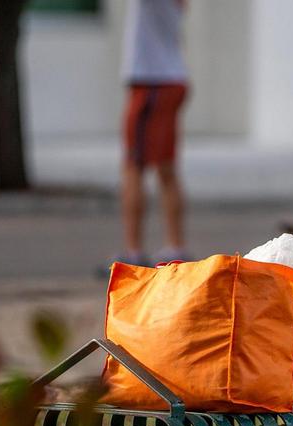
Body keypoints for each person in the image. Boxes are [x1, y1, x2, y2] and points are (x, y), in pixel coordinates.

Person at [115, 0, 191, 268]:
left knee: (133, 165)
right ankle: (175, 246)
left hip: (151, 81)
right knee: (166, 168)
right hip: (167, 78)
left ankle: (134, 252)